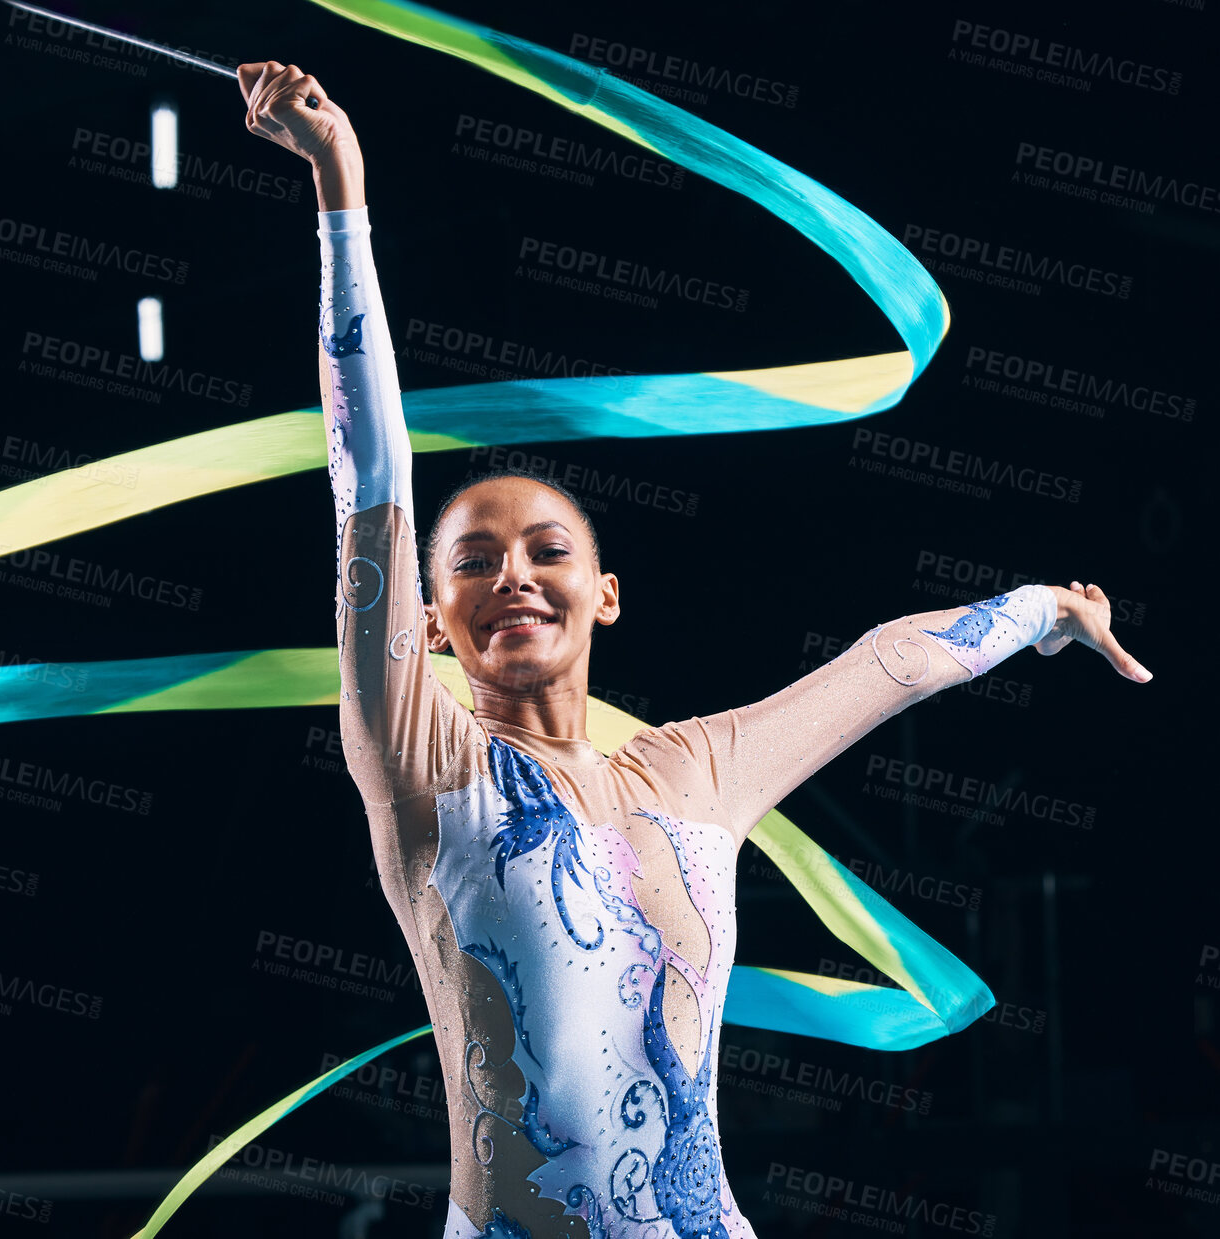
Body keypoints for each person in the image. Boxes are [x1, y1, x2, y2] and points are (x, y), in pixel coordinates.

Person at [237, 59, 1152, 1239]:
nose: (511, 573)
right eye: (470, 562)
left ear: (605, 595)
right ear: (425, 625)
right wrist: (339, 189)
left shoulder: (691, 775)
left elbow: (889, 662)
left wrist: (1043, 613)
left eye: (546, 550)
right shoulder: (430, 772)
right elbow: (369, 476)